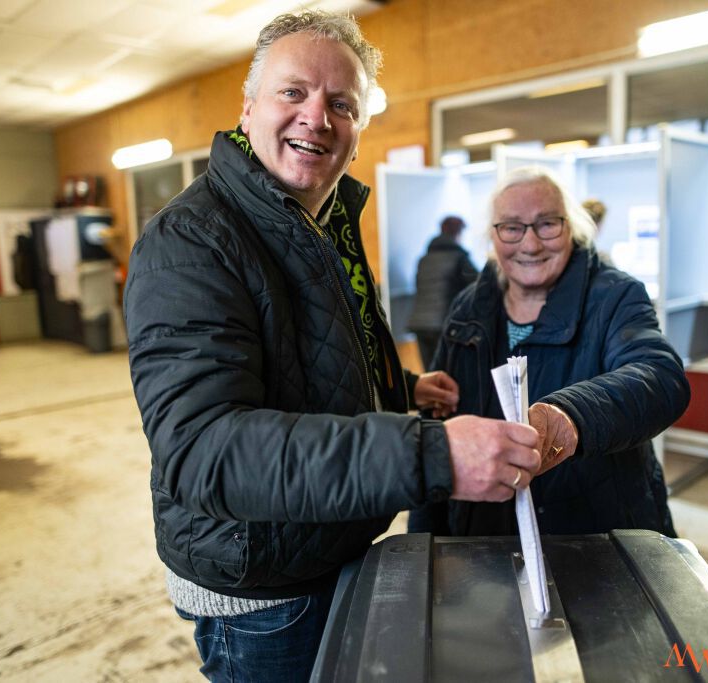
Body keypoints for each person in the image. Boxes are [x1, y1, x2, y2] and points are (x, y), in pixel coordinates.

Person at [123, 11, 543, 682]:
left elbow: (307, 358)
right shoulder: (192, 241)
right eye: (294, 92)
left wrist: (402, 391)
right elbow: (205, 452)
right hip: (260, 585)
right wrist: (432, 454)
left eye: (341, 103)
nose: (316, 117)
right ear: (249, 107)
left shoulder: (326, 221)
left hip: (329, 540)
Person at [409, 167, 689, 538]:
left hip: (592, 530)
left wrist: (572, 415)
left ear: (571, 227)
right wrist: (423, 538)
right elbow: (437, 426)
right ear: (493, 236)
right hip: (483, 526)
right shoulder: (469, 306)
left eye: (547, 224)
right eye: (511, 227)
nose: (530, 244)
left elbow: (660, 376)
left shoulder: (614, 295)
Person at [407, 215, 478, 369]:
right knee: (449, 374)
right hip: (444, 324)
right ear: (458, 233)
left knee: (429, 375)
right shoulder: (459, 258)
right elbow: (478, 285)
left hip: (420, 324)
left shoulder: (424, 259)